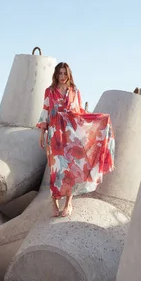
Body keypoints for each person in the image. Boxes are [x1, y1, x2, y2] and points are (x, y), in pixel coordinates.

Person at [37, 62, 115, 217]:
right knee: (56, 170)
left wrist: (95, 119)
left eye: (65, 73)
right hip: (54, 134)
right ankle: (54, 202)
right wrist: (42, 133)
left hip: (70, 134)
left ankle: (68, 203)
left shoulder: (75, 91)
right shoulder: (50, 91)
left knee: (70, 169)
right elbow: (45, 112)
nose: (62, 76)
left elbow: (78, 112)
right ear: (56, 75)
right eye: (60, 73)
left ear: (69, 74)